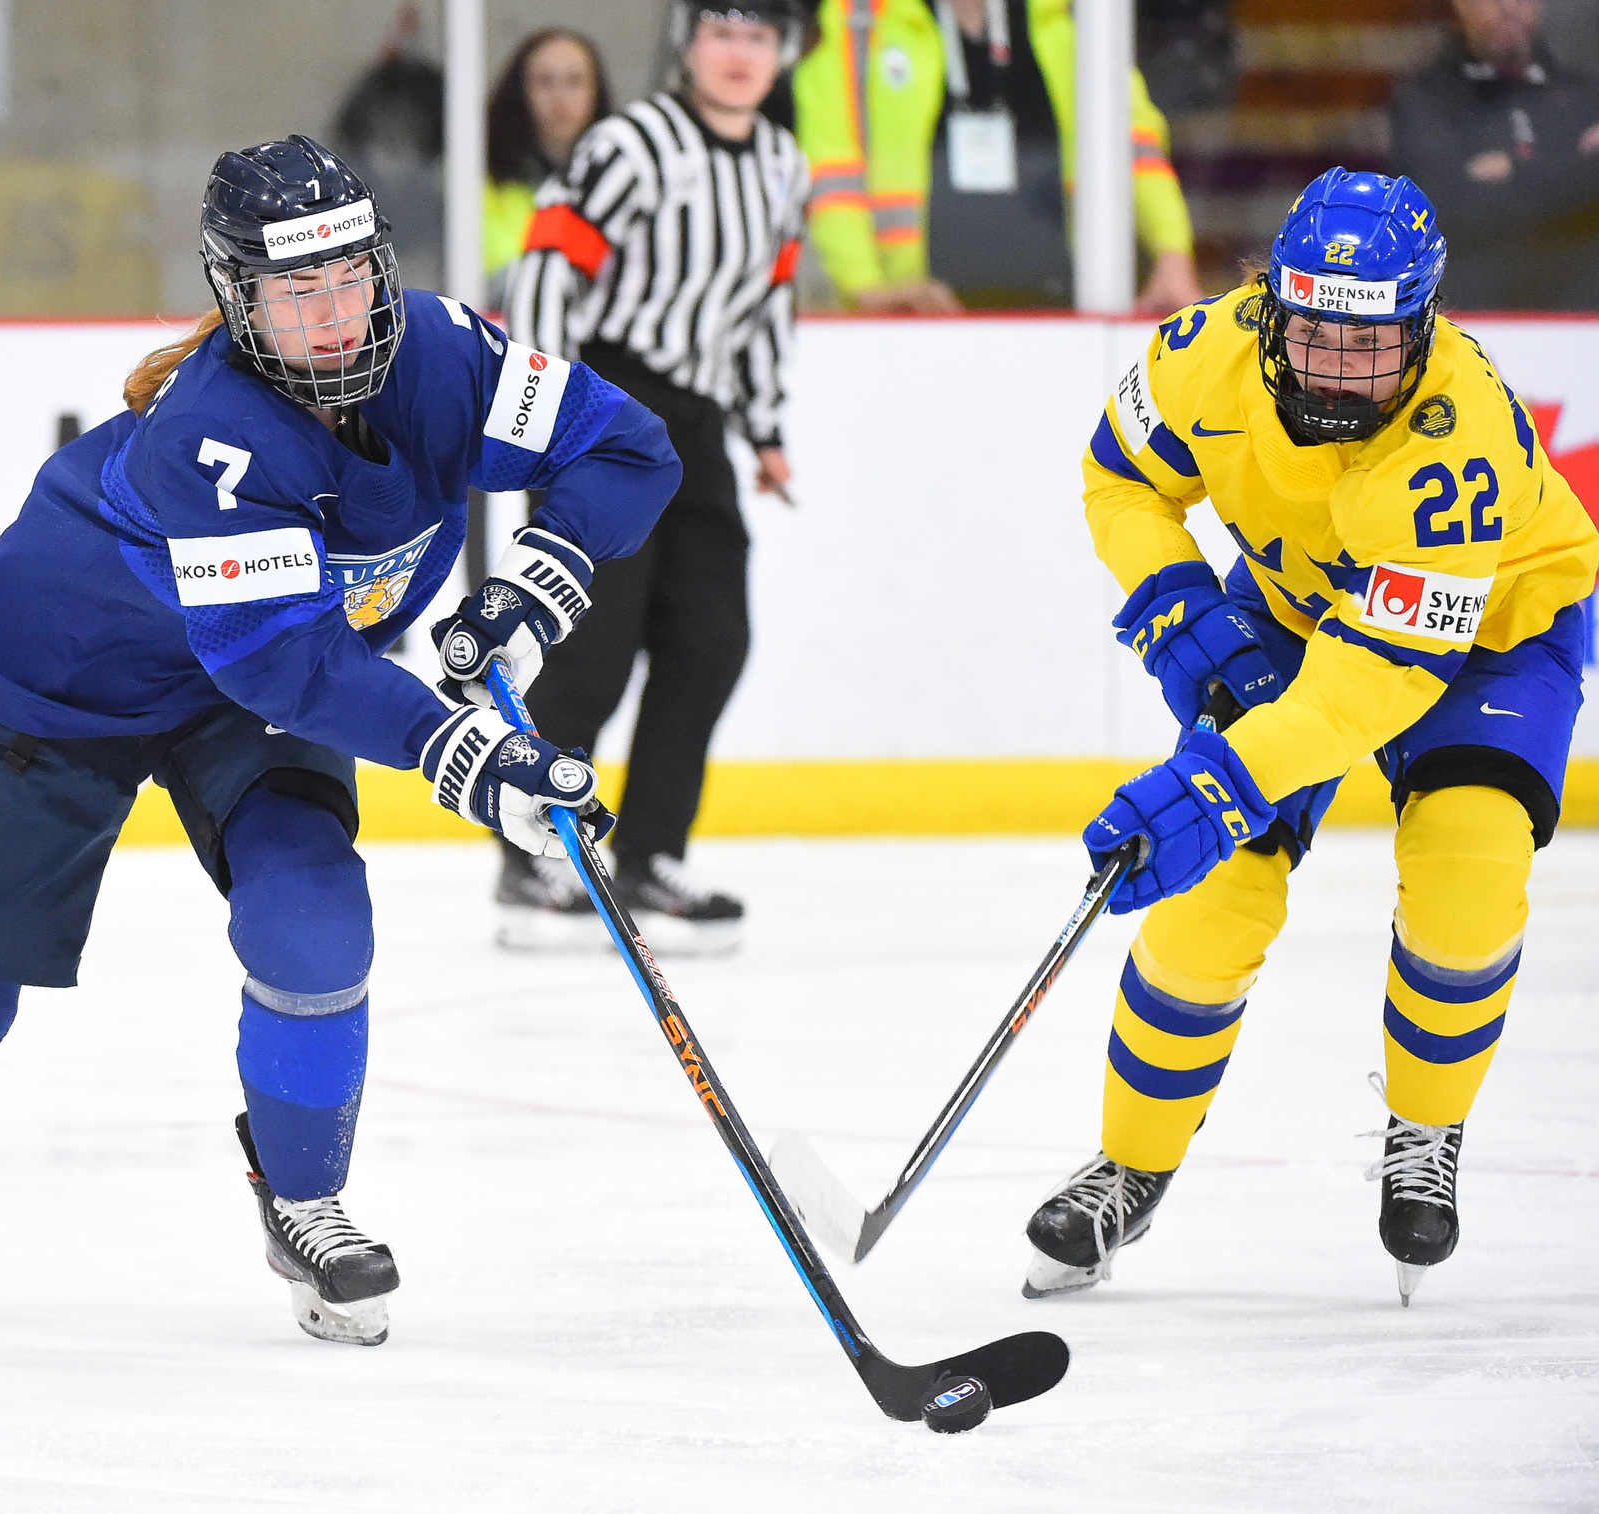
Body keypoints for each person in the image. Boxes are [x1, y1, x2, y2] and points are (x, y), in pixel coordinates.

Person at [0, 137, 681, 1348]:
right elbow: (285, 664)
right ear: (236, 299)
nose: (335, 315)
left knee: (313, 920)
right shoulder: (211, 434)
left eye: (350, 277)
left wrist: (536, 588)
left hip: (239, 690)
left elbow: (629, 447)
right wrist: (467, 758)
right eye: (296, 293)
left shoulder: (448, 352)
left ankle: (302, 1201)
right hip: (66, 679)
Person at [1021, 169, 1596, 1306]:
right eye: (1312, 328)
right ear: (1271, 303)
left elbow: (1367, 691)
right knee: (1210, 898)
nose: (1334, 359)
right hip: (1295, 612)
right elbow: (1118, 478)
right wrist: (1176, 599)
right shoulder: (1202, 354)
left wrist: (1219, 779)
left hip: (1492, 630)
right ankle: (1128, 1160)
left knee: (1466, 875)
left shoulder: (1454, 448)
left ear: (1421, 321)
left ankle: (1424, 1129)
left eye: (1366, 338)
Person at [499, 1, 809, 956]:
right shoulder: (631, 145)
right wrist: (546, 411)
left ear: (784, 52)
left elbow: (766, 303)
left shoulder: (784, 166)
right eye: (722, 33)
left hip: (700, 421)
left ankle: (647, 857)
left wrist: (763, 426)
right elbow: (548, 267)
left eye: (760, 37)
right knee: (595, 642)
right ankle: (531, 851)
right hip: (603, 404)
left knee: (713, 637)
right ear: (688, 46)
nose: (740, 55)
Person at [792, 0, 1201, 315]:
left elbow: (1132, 143)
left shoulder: (1070, 16)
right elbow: (832, 173)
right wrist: (866, 290)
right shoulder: (859, 19)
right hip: (918, 316)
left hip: (1065, 312)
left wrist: (1173, 254)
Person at [1390, 0, 1599, 310]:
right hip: (1473, 315)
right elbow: (1444, 209)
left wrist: (1511, 169)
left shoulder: (1582, 94)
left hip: (1580, 319)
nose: (1508, 7)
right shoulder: (1424, 98)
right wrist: (1574, 166)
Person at [483, 30, 613, 311]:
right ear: (520, 91)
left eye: (574, 81)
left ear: (596, 91)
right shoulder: (478, 177)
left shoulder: (622, 179)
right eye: (545, 82)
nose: (560, 97)